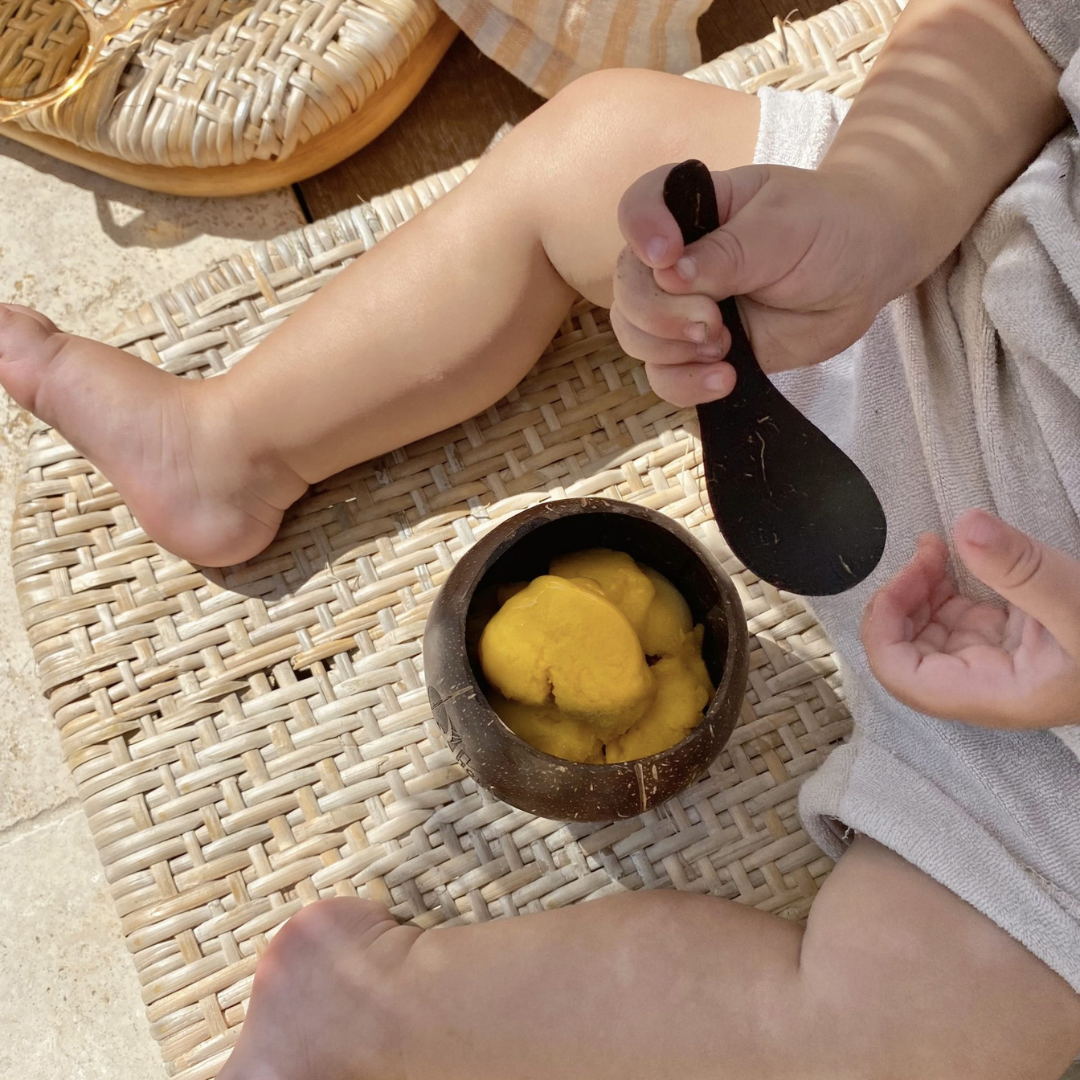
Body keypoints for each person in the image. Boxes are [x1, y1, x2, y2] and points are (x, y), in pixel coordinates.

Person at [2, 0, 1079, 1075]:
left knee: (918, 1039)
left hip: (1048, 776)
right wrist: (878, 199)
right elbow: (1010, 29)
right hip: (962, 334)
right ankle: (226, 446)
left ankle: (373, 1015)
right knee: (598, 149)